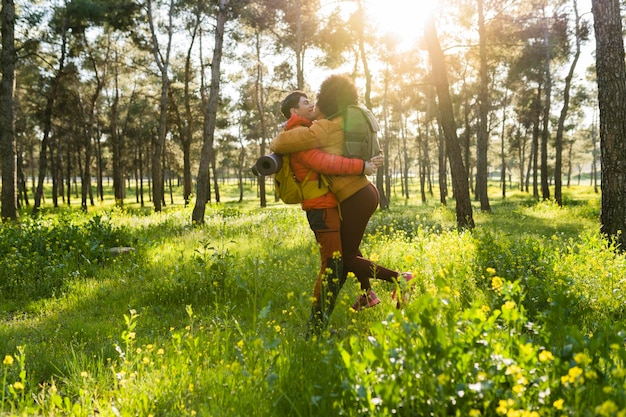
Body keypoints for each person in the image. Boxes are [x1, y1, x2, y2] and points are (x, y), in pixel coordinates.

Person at [271, 75, 412, 314]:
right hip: (362, 192)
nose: (314, 105)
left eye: (317, 100)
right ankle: (368, 294)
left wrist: (282, 132)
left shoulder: (324, 128)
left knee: (344, 259)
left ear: (327, 102)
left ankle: (400, 279)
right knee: (350, 250)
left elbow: (282, 144)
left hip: (355, 196)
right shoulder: (343, 120)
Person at [278, 90, 382, 335]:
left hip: (328, 205)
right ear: (294, 112)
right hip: (320, 208)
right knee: (333, 265)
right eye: (305, 103)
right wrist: (362, 166)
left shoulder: (306, 132)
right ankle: (315, 330)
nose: (311, 104)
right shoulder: (297, 138)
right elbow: (325, 163)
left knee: (340, 261)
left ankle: (320, 325)